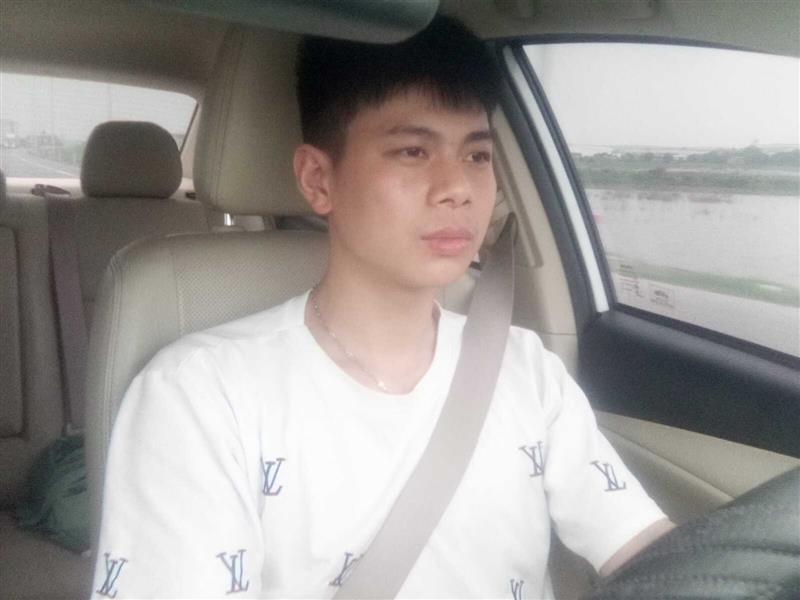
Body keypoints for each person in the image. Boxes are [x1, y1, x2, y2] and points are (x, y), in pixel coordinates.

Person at [91, 15, 673, 599]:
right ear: (318, 179)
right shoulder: (201, 394)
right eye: (413, 151)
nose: (458, 188)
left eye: (476, 156)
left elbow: (652, 553)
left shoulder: (526, 370)